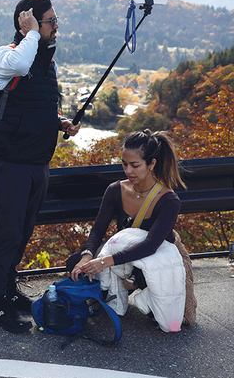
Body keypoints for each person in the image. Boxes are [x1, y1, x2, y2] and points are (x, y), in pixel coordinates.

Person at [0, 0, 80, 333]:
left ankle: (9, 294)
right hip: (11, 165)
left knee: (22, 233)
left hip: (37, 164)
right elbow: (20, 66)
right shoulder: (6, 56)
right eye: (50, 21)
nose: (56, 26)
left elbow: (34, 107)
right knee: (6, 236)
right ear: (29, 24)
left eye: (55, 21)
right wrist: (30, 36)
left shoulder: (45, 63)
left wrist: (59, 122)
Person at [68, 130, 196, 330]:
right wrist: (87, 256)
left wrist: (104, 261)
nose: (128, 171)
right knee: (75, 263)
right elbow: (98, 229)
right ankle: (113, 289)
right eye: (124, 164)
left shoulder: (168, 199)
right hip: (125, 252)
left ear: (151, 164)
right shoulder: (115, 190)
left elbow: (151, 245)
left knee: (146, 278)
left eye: (135, 165)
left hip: (156, 255)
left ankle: (138, 290)